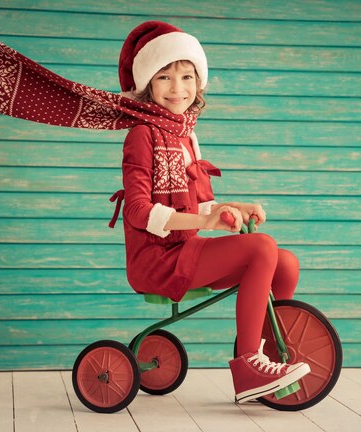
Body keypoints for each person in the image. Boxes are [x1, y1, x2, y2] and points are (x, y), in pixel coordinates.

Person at [115, 21, 310, 403]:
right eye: (165, 77)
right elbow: (139, 210)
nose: (178, 88)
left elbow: (201, 203)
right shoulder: (142, 134)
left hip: (186, 251)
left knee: (284, 263)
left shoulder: (186, 134)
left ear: (198, 83)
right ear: (148, 85)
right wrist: (204, 222)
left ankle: (271, 354)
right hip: (159, 259)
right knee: (261, 247)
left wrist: (231, 207)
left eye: (187, 76)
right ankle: (248, 364)